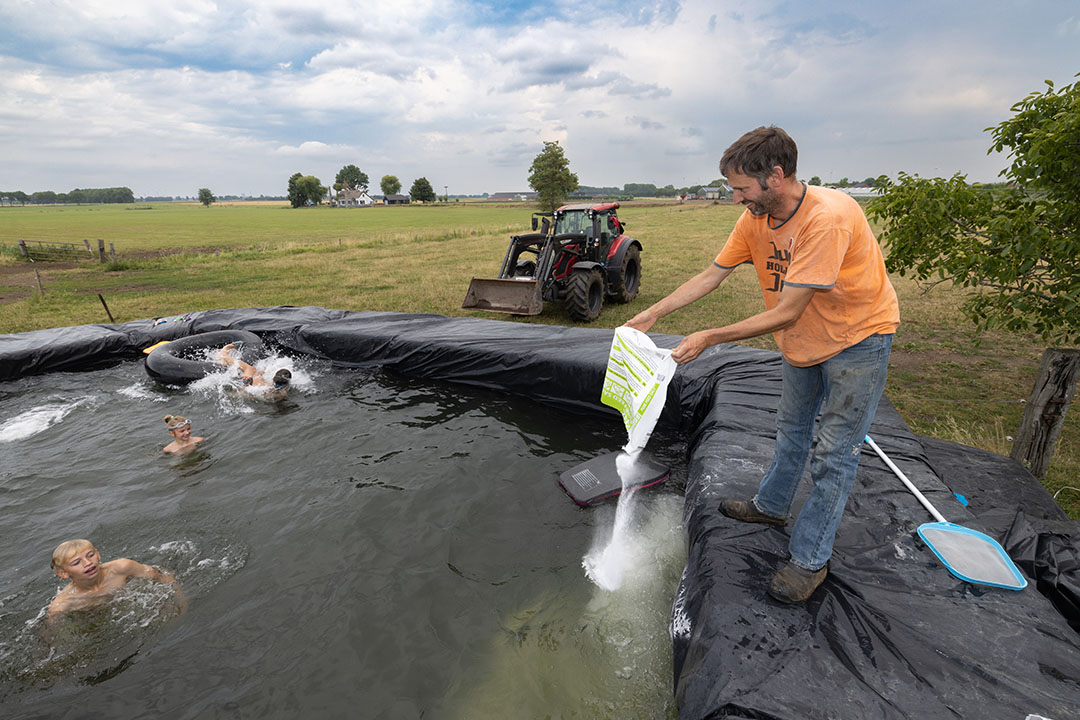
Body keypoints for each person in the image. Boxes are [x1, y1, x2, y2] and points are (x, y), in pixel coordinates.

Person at [625, 126, 899, 603]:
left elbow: (788, 310)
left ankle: (810, 560)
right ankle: (771, 507)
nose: (735, 199)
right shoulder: (756, 217)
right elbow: (714, 274)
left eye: (741, 188)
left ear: (775, 175)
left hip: (857, 340)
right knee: (791, 429)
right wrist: (655, 312)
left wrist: (710, 336)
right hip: (803, 342)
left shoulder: (827, 218)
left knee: (835, 453)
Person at [47, 539, 186, 617]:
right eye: (76, 562)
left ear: (98, 554)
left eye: (90, 555)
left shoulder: (122, 568)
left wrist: (181, 604)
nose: (87, 563)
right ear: (63, 573)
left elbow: (165, 577)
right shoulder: (63, 604)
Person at [215, 343, 291, 401]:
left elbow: (256, 376)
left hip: (248, 382)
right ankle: (223, 360)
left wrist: (261, 372)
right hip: (251, 392)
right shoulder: (283, 394)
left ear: (274, 378)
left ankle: (222, 355)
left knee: (250, 368)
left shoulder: (263, 385)